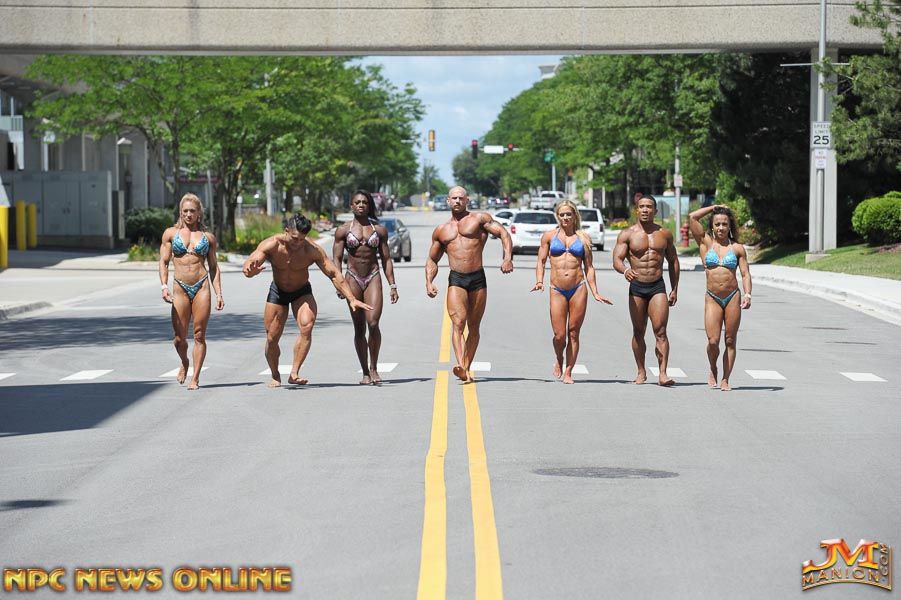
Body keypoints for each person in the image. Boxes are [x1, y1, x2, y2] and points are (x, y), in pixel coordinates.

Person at [243, 213, 372, 388]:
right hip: (278, 292)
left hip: (301, 292)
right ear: (286, 231)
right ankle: (275, 375)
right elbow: (251, 263)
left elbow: (334, 273)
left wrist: (352, 299)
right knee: (272, 338)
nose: (298, 243)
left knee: (307, 326)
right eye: (294, 238)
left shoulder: (311, 249)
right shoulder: (272, 244)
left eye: (302, 239)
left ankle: (294, 372)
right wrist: (250, 271)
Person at [425, 185, 513, 383]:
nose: (457, 201)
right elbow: (432, 259)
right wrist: (429, 282)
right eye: (454, 198)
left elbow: (504, 234)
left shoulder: (479, 219)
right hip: (456, 278)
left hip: (477, 278)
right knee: (458, 323)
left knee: (474, 326)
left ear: (467, 200)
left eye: (461, 198)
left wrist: (507, 258)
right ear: (448, 201)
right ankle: (461, 365)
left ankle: (466, 366)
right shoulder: (441, 230)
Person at [532, 200, 613, 384]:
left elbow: (589, 267)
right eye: (562, 214)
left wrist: (595, 292)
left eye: (569, 214)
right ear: (557, 216)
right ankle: (559, 357)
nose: (565, 218)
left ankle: (568, 372)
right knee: (559, 335)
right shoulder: (549, 236)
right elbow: (541, 261)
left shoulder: (583, 238)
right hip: (557, 289)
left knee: (574, 332)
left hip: (578, 288)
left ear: (575, 215)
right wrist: (539, 281)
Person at [332, 190, 399, 385]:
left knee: (373, 323)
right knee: (359, 327)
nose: (361, 205)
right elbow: (336, 259)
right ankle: (365, 372)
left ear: (369, 206)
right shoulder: (343, 230)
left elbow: (386, 259)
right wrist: (339, 284)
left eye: (364, 202)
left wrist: (393, 285)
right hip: (352, 278)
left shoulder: (379, 230)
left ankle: (374, 368)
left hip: (373, 277)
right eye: (357, 202)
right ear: (351, 206)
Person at [612, 195, 680, 386]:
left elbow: (673, 261)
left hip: (657, 286)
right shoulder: (627, 234)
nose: (645, 210)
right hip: (637, 287)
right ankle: (641, 371)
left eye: (649, 207)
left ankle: (663, 373)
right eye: (641, 206)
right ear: (637, 210)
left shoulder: (664, 234)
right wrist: (625, 270)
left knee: (661, 331)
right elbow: (617, 259)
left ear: (655, 211)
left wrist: (674, 288)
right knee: (638, 331)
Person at [159, 193, 224, 390]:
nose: (188, 214)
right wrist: (164, 286)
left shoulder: (208, 237)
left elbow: (214, 267)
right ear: (180, 212)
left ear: (199, 213)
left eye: (192, 211)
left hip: (201, 286)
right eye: (185, 211)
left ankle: (195, 378)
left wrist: (219, 293)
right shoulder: (170, 234)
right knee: (179, 338)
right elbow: (163, 262)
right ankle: (185, 361)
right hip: (179, 287)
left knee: (199, 335)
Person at [688, 204, 752, 391]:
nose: (721, 228)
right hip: (713, 297)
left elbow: (745, 274)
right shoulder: (705, 243)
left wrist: (748, 294)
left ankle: (725, 378)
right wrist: (714, 207)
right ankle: (713, 367)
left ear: (730, 226)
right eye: (717, 224)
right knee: (713, 341)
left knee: (730, 340)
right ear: (712, 226)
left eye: (725, 224)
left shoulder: (737, 248)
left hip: (732, 297)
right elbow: (692, 217)